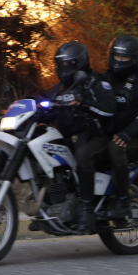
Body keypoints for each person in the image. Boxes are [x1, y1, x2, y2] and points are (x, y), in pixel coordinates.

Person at [48, 41, 116, 232]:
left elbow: (109, 109)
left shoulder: (96, 82)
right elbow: (48, 108)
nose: (62, 69)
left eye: (66, 64)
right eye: (59, 64)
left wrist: (85, 103)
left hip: (98, 137)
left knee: (83, 154)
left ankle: (87, 209)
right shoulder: (59, 89)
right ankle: (51, 206)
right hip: (70, 138)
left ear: (78, 63)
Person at [103, 35, 138, 218]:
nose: (119, 61)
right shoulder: (105, 79)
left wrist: (128, 133)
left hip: (136, 139)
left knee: (115, 147)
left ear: (134, 58)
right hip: (112, 133)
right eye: (117, 56)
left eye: (124, 58)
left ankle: (123, 200)